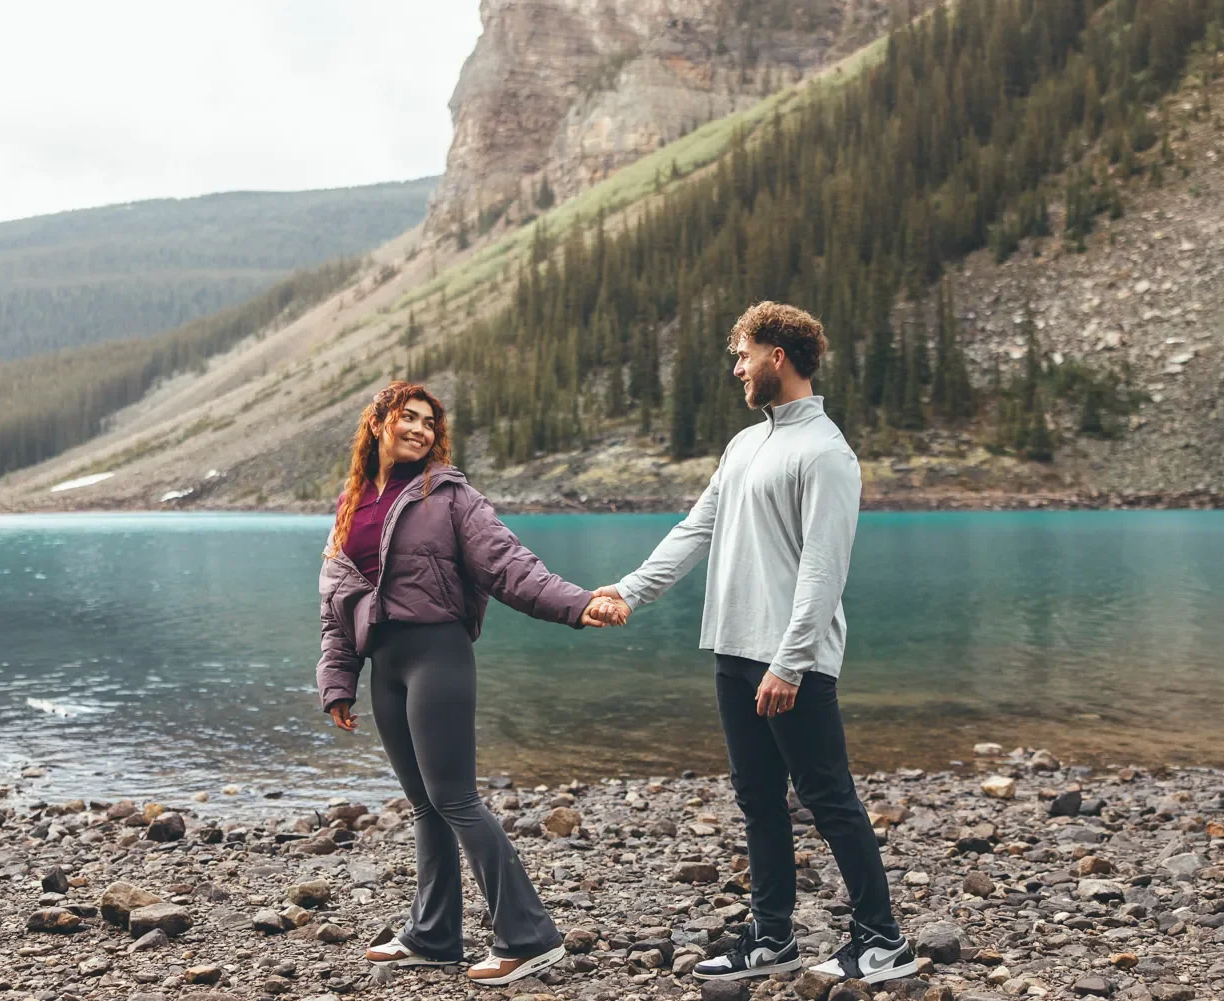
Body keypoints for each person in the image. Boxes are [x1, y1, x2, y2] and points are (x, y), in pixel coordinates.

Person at [593, 303, 916, 984]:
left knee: (828, 797)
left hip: (792, 661)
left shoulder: (826, 453)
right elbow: (695, 529)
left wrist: (791, 662)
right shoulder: (744, 445)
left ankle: (883, 939)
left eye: (743, 355)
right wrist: (629, 590)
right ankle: (773, 937)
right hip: (734, 651)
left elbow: (824, 571)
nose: (737, 368)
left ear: (777, 355)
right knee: (758, 799)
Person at [316, 381, 624, 987]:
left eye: (429, 422)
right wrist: (337, 680)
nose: (420, 430)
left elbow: (509, 565)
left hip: (438, 654)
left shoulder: (451, 495)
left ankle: (529, 936)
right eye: (408, 417)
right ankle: (433, 936)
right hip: (384, 665)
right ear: (378, 423)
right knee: (424, 804)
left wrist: (578, 603)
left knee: (454, 798)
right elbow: (336, 602)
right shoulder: (351, 502)